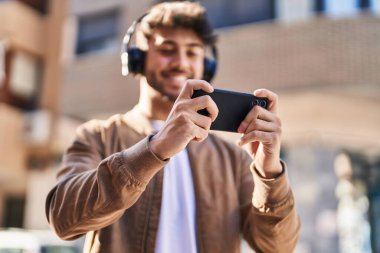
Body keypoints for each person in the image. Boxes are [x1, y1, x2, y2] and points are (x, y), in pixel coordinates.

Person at [46, 1, 300, 253]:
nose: (181, 62)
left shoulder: (231, 158)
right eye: (167, 49)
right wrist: (155, 148)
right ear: (137, 59)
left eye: (192, 52)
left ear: (206, 66)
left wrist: (270, 174)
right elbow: (63, 220)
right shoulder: (97, 136)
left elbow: (278, 247)